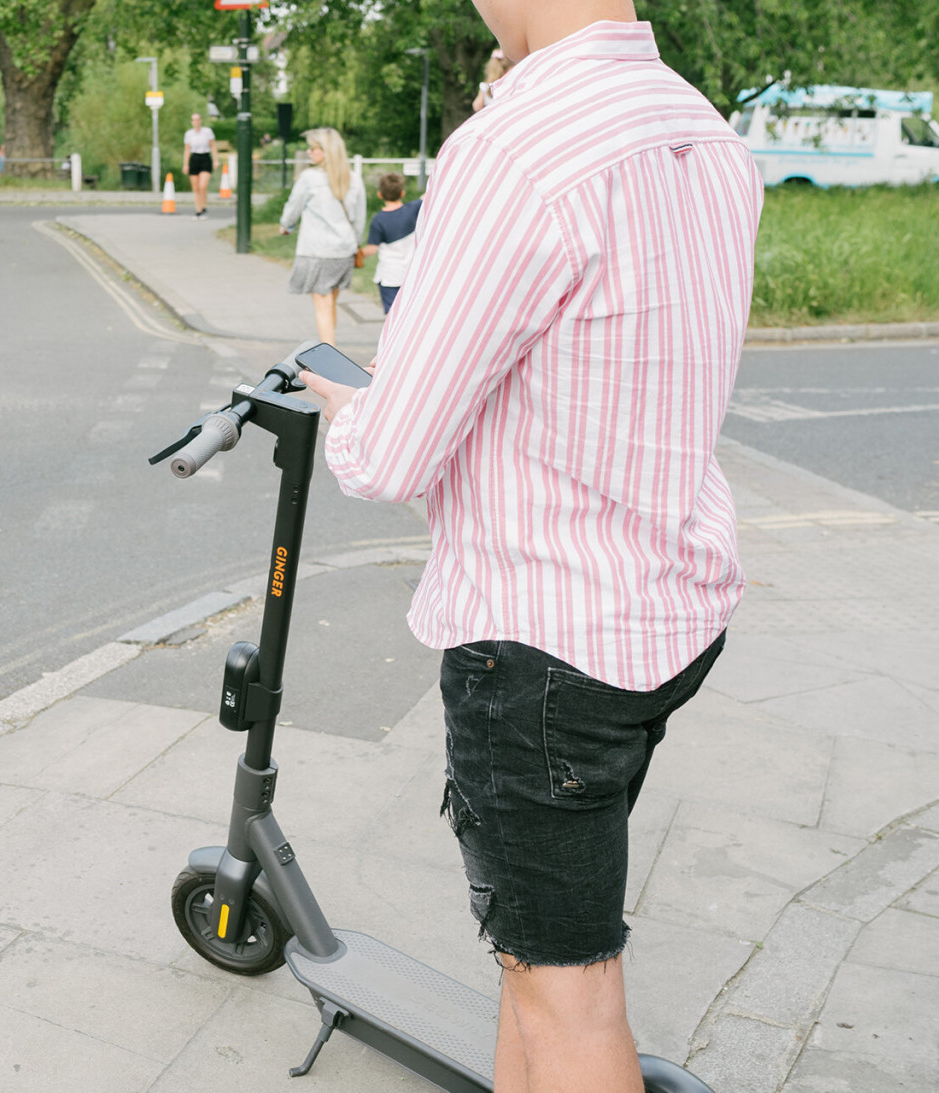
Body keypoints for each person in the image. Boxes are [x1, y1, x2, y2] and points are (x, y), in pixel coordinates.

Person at [302, 2, 763, 1091]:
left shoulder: (514, 149)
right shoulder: (695, 123)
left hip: (542, 640)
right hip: (663, 605)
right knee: (531, 960)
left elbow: (387, 456)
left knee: (569, 995)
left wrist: (339, 405)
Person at [277, 127, 366, 346]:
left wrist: (286, 225)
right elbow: (359, 218)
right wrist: (356, 243)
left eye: (313, 148)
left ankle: (329, 359)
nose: (309, 152)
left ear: (326, 151)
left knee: (322, 306)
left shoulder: (309, 178)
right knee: (330, 304)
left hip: (318, 251)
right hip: (344, 252)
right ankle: (330, 348)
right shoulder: (354, 179)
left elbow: (293, 207)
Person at [361, 173, 421, 313]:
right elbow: (426, 195)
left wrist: (357, 256)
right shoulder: (414, 210)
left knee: (392, 314)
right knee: (410, 312)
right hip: (410, 274)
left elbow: (372, 249)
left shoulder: (378, 220)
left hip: (389, 276)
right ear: (402, 193)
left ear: (380, 195)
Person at [182, 114, 218, 217]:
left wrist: (216, 160)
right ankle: (198, 209)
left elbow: (213, 146)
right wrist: (185, 164)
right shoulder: (189, 134)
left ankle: (203, 206)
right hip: (194, 159)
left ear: (200, 121)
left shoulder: (207, 132)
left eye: (197, 120)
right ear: (191, 121)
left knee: (203, 186)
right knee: (196, 187)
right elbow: (187, 150)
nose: (196, 122)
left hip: (205, 158)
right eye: (194, 120)